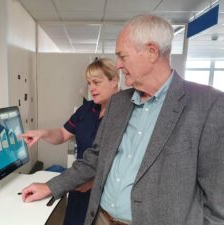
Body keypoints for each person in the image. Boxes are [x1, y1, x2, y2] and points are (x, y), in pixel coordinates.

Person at [21, 14, 224, 225]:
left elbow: (218, 202)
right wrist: (51, 186)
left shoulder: (208, 105)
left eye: (123, 56)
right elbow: (95, 158)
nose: (118, 65)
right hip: (101, 218)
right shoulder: (119, 103)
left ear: (151, 51)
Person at [19, 57, 119, 225]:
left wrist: (94, 182)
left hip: (105, 195)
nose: (92, 88)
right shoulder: (87, 109)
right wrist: (43, 133)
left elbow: (126, 163)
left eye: (96, 82)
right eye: (89, 83)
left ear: (114, 81)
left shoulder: (125, 114)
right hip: (78, 185)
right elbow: (62, 134)